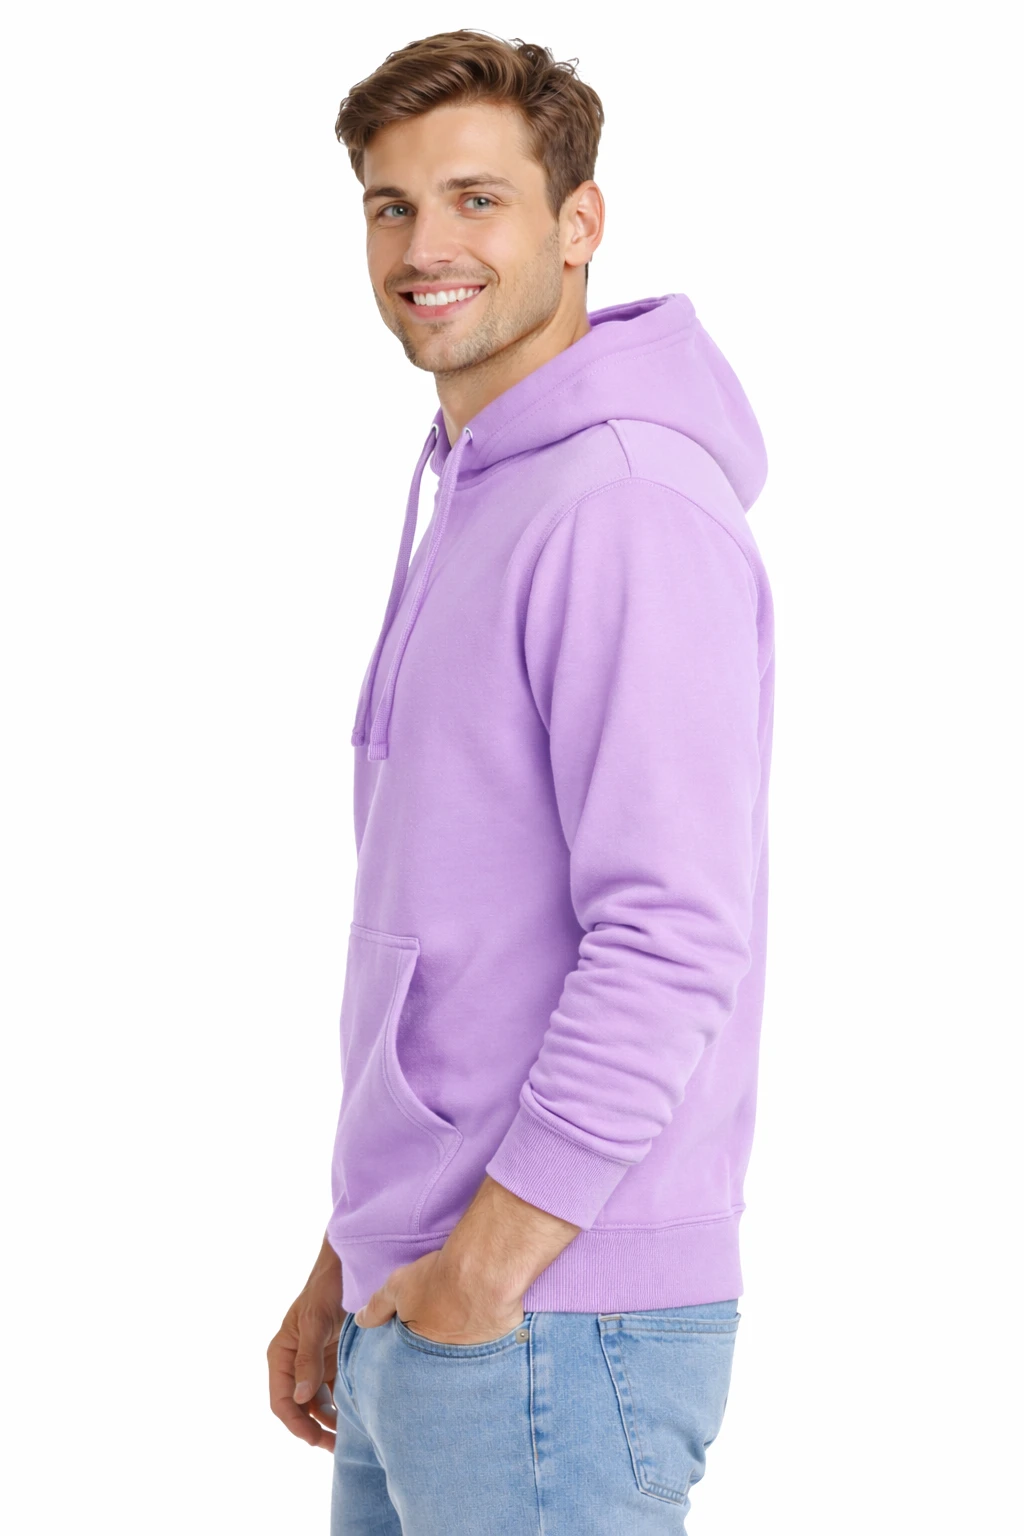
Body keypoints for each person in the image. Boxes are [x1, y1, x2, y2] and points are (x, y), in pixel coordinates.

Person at [267, 28, 775, 1535]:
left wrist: (486, 1271)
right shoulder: (485, 487)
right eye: (393, 206)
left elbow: (669, 937)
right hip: (425, 1292)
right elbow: (463, 932)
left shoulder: (622, 505)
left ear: (579, 222)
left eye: (478, 199)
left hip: (550, 1315)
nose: (426, 247)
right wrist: (348, 1255)